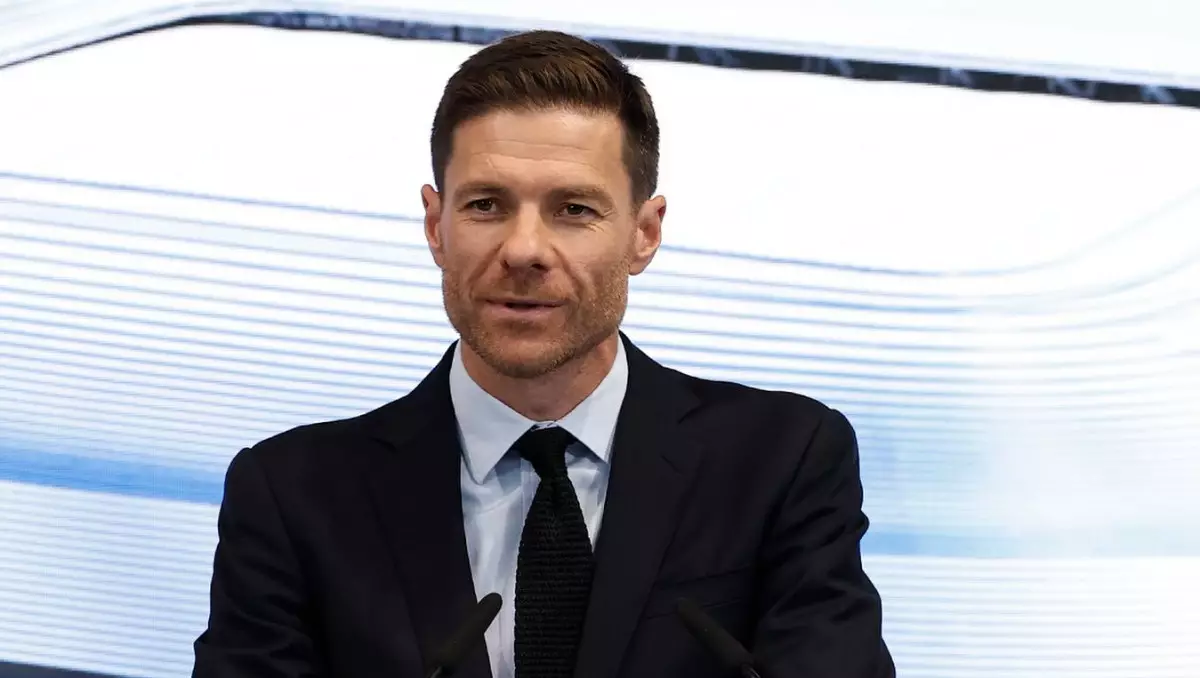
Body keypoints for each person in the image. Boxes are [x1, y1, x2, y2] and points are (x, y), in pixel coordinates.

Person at [193, 29, 894, 678]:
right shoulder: (293, 495)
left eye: (574, 210)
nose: (524, 250)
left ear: (644, 233)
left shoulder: (780, 461)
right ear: (436, 225)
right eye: (486, 205)